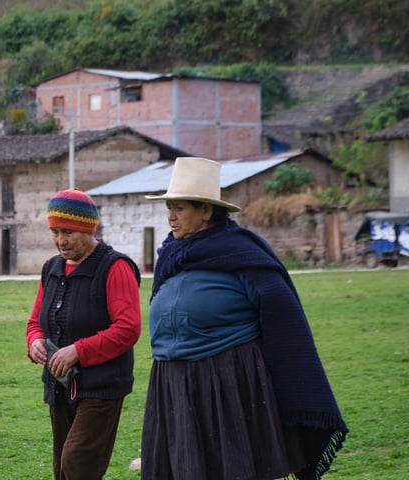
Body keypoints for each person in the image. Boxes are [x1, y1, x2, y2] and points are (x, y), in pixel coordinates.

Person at [140, 157, 348, 480]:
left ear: (206, 211)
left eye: (179, 208)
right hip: (173, 383)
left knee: (230, 469)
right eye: (169, 207)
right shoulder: (172, 254)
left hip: (226, 382)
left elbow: (285, 324)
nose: (170, 216)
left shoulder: (241, 253)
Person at [25, 189, 142, 480]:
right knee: (61, 468)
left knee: (77, 465)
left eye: (68, 232)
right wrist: (35, 342)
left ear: (88, 229)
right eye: (54, 231)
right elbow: (35, 322)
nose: (60, 240)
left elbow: (128, 329)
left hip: (101, 388)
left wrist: (78, 350)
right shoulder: (51, 268)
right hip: (60, 385)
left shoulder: (115, 267)